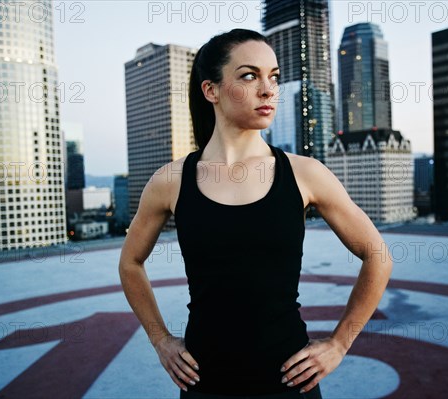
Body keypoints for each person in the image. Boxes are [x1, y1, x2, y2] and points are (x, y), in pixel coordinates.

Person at [118, 28, 393, 399]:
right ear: (211, 90)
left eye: (274, 77)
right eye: (249, 76)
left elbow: (378, 256)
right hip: (204, 385)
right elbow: (130, 262)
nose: (268, 89)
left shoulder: (305, 173)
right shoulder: (170, 181)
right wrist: (160, 340)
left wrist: (340, 343)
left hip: (289, 382)